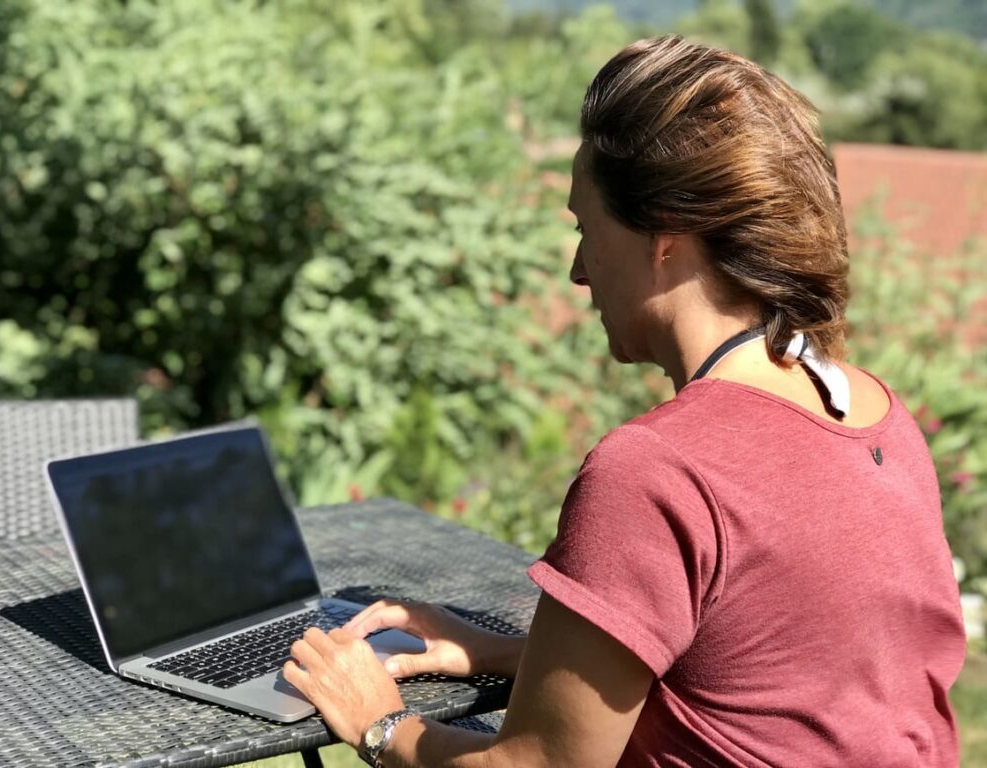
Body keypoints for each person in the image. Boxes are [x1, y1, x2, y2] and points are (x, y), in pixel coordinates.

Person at [281, 35, 967, 767]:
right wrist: (512, 654)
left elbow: (537, 766)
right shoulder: (872, 413)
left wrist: (380, 724)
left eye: (587, 228)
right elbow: (774, 675)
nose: (578, 269)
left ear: (665, 239)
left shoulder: (658, 470)